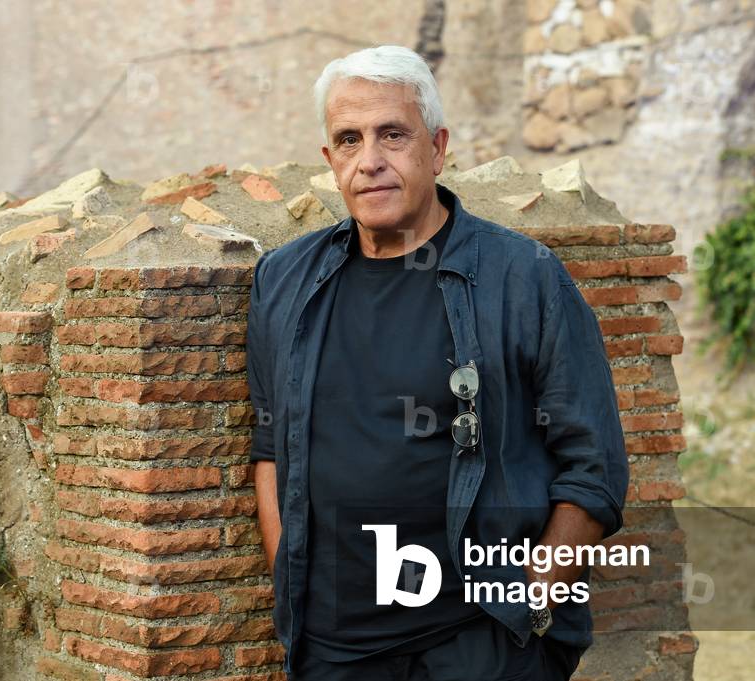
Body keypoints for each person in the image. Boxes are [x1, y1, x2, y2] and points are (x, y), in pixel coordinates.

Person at [246, 44, 629, 681]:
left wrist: (532, 603)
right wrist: (292, 582)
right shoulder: (285, 281)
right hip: (337, 647)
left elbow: (594, 468)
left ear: (437, 147)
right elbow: (269, 449)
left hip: (480, 640)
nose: (370, 161)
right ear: (329, 160)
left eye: (393, 135)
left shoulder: (521, 277)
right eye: (348, 140)